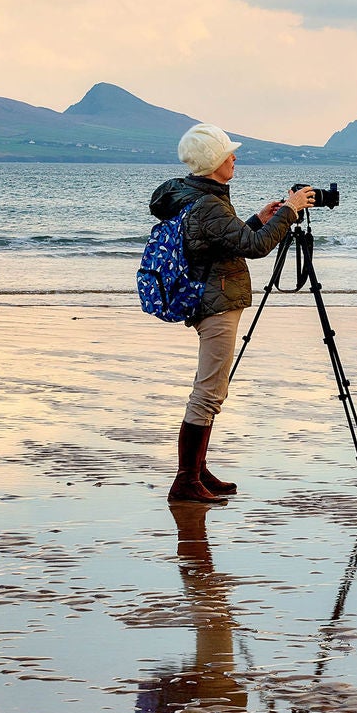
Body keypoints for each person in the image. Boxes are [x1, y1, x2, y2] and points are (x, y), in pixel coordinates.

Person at [148, 124, 316, 503]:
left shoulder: (201, 195)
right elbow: (254, 247)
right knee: (208, 392)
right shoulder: (208, 203)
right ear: (214, 162)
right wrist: (289, 211)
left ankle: (198, 470)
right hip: (217, 303)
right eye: (228, 154)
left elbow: (229, 240)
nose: (235, 159)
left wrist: (260, 217)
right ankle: (186, 480)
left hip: (213, 297)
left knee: (212, 389)